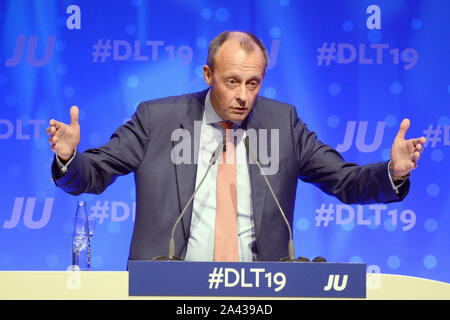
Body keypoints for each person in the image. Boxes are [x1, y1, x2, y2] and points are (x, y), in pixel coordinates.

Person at [47, 31, 426, 263]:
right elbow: (93, 175)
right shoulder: (157, 120)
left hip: (258, 296)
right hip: (170, 290)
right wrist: (68, 158)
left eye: (253, 83)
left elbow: (343, 180)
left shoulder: (283, 122)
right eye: (232, 81)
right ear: (208, 74)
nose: (243, 96)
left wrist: (391, 173)